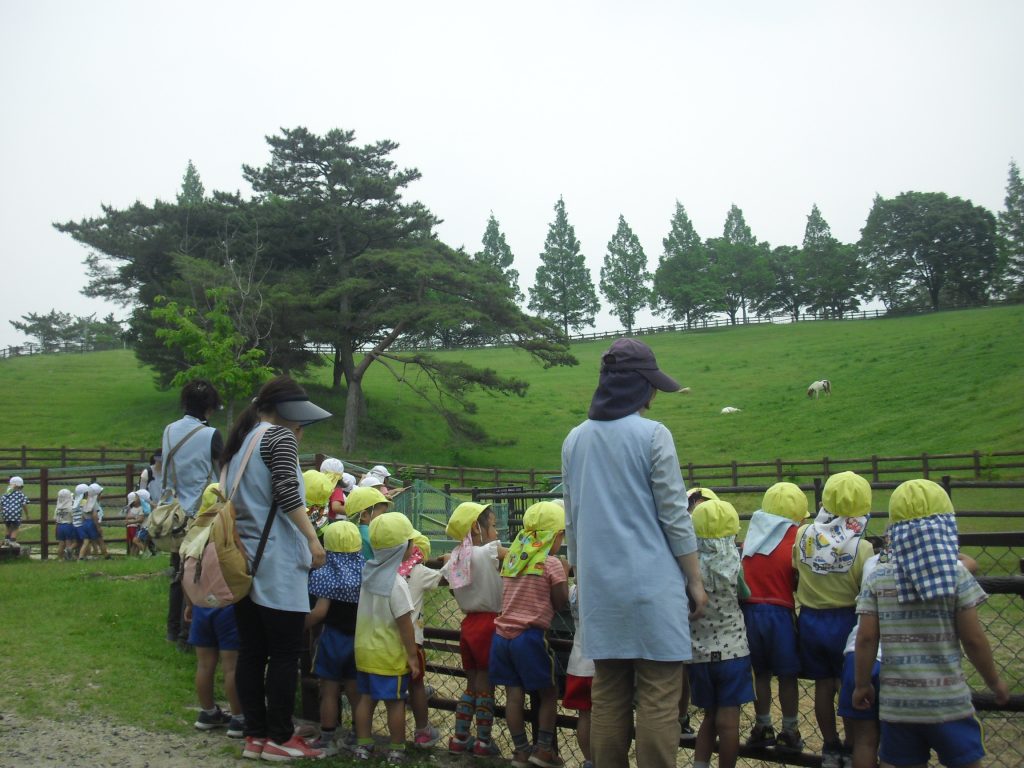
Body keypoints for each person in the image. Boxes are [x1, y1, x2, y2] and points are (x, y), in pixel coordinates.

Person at [561, 338, 707, 768]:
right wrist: (694, 581)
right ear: (640, 387)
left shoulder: (575, 440)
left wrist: (581, 581)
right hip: (652, 589)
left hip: (599, 590)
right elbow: (675, 517)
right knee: (660, 699)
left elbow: (572, 521)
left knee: (607, 696)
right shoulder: (653, 435)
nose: (656, 393)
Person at [854, 479, 1010, 768]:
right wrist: (994, 681)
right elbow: (973, 639)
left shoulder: (879, 579)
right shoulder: (956, 576)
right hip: (948, 703)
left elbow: (865, 639)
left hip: (898, 705)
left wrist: (862, 684)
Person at [221, 375, 331, 762]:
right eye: (299, 422)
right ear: (285, 413)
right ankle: (280, 737)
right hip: (278, 561)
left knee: (252, 651)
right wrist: (313, 540)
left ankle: (255, 734)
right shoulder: (277, 438)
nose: (300, 431)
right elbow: (287, 492)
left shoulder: (241, 442)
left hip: (243, 560)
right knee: (285, 653)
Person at [794, 471, 875, 768]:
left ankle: (830, 745)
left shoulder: (803, 536)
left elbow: (795, 568)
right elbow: (863, 587)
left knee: (823, 686)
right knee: (848, 684)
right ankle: (852, 744)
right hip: (845, 621)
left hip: (811, 620)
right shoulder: (863, 549)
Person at [490, 500, 570, 768]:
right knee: (548, 692)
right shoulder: (551, 563)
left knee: (514, 695)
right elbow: (559, 601)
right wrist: (565, 572)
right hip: (529, 637)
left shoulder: (513, 557)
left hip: (501, 637)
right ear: (556, 536)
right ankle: (544, 749)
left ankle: (521, 751)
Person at [740, 481, 808, 752]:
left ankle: (762, 724)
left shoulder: (752, 537)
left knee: (761, 673)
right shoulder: (796, 539)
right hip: (780, 611)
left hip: (750, 611)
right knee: (788, 675)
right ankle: (789, 729)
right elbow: (797, 578)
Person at [689, 499, 754, 768]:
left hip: (699, 654)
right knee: (728, 723)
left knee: (708, 717)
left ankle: (700, 764)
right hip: (734, 652)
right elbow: (745, 595)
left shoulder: (689, 568)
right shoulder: (734, 564)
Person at [351, 512, 420, 764]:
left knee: (366, 699)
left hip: (364, 651)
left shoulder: (368, 574)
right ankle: (396, 748)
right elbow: (404, 623)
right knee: (395, 702)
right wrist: (412, 656)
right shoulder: (397, 583)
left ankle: (363, 744)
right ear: (402, 548)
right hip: (388, 654)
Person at [441, 501, 506, 757]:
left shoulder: (455, 557)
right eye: (492, 526)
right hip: (490, 623)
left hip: (468, 625)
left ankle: (460, 737)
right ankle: (483, 741)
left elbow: (448, 578)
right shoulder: (489, 551)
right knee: (487, 686)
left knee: (471, 684)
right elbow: (514, 556)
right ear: (476, 529)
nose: (497, 533)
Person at [161, 380, 223, 647]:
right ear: (209, 408)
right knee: (199, 573)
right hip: (203, 514)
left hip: (176, 513)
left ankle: (173, 628)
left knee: (178, 571)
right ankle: (190, 634)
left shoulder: (169, 430)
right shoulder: (211, 435)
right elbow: (224, 474)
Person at [187, 482, 244, 738]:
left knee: (204, 664)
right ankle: (239, 718)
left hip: (201, 606)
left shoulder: (196, 531)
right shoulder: (228, 529)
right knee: (231, 666)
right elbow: (243, 563)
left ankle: (208, 712)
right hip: (227, 606)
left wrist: (189, 605)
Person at [304, 520, 365, 756]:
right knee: (354, 690)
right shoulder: (365, 571)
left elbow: (319, 612)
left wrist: (300, 625)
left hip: (332, 639)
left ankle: (327, 736)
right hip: (358, 640)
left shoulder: (326, 574)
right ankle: (359, 735)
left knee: (328, 690)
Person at [565, 582, 595, 768]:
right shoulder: (600, 585)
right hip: (600, 665)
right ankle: (604, 759)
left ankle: (589, 760)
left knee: (584, 716)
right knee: (606, 716)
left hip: (577, 663)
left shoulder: (574, 590)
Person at [345, 486, 392, 560]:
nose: (384, 517)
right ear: (364, 515)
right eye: (382, 514)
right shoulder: (372, 534)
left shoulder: (348, 531)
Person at [2, 476, 29, 546]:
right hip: (15, 514)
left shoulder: (5, 494)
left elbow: (1, 503)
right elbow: (24, 505)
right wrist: (27, 515)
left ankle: (6, 541)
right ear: (20, 486)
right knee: (15, 528)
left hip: (5, 513)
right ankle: (12, 541)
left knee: (8, 527)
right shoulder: (21, 495)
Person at [54, 488, 77, 561]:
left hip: (59, 526)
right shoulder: (70, 508)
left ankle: (60, 558)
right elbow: (74, 517)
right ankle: (68, 558)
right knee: (68, 543)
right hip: (68, 525)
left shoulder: (57, 508)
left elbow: (55, 519)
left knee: (61, 544)